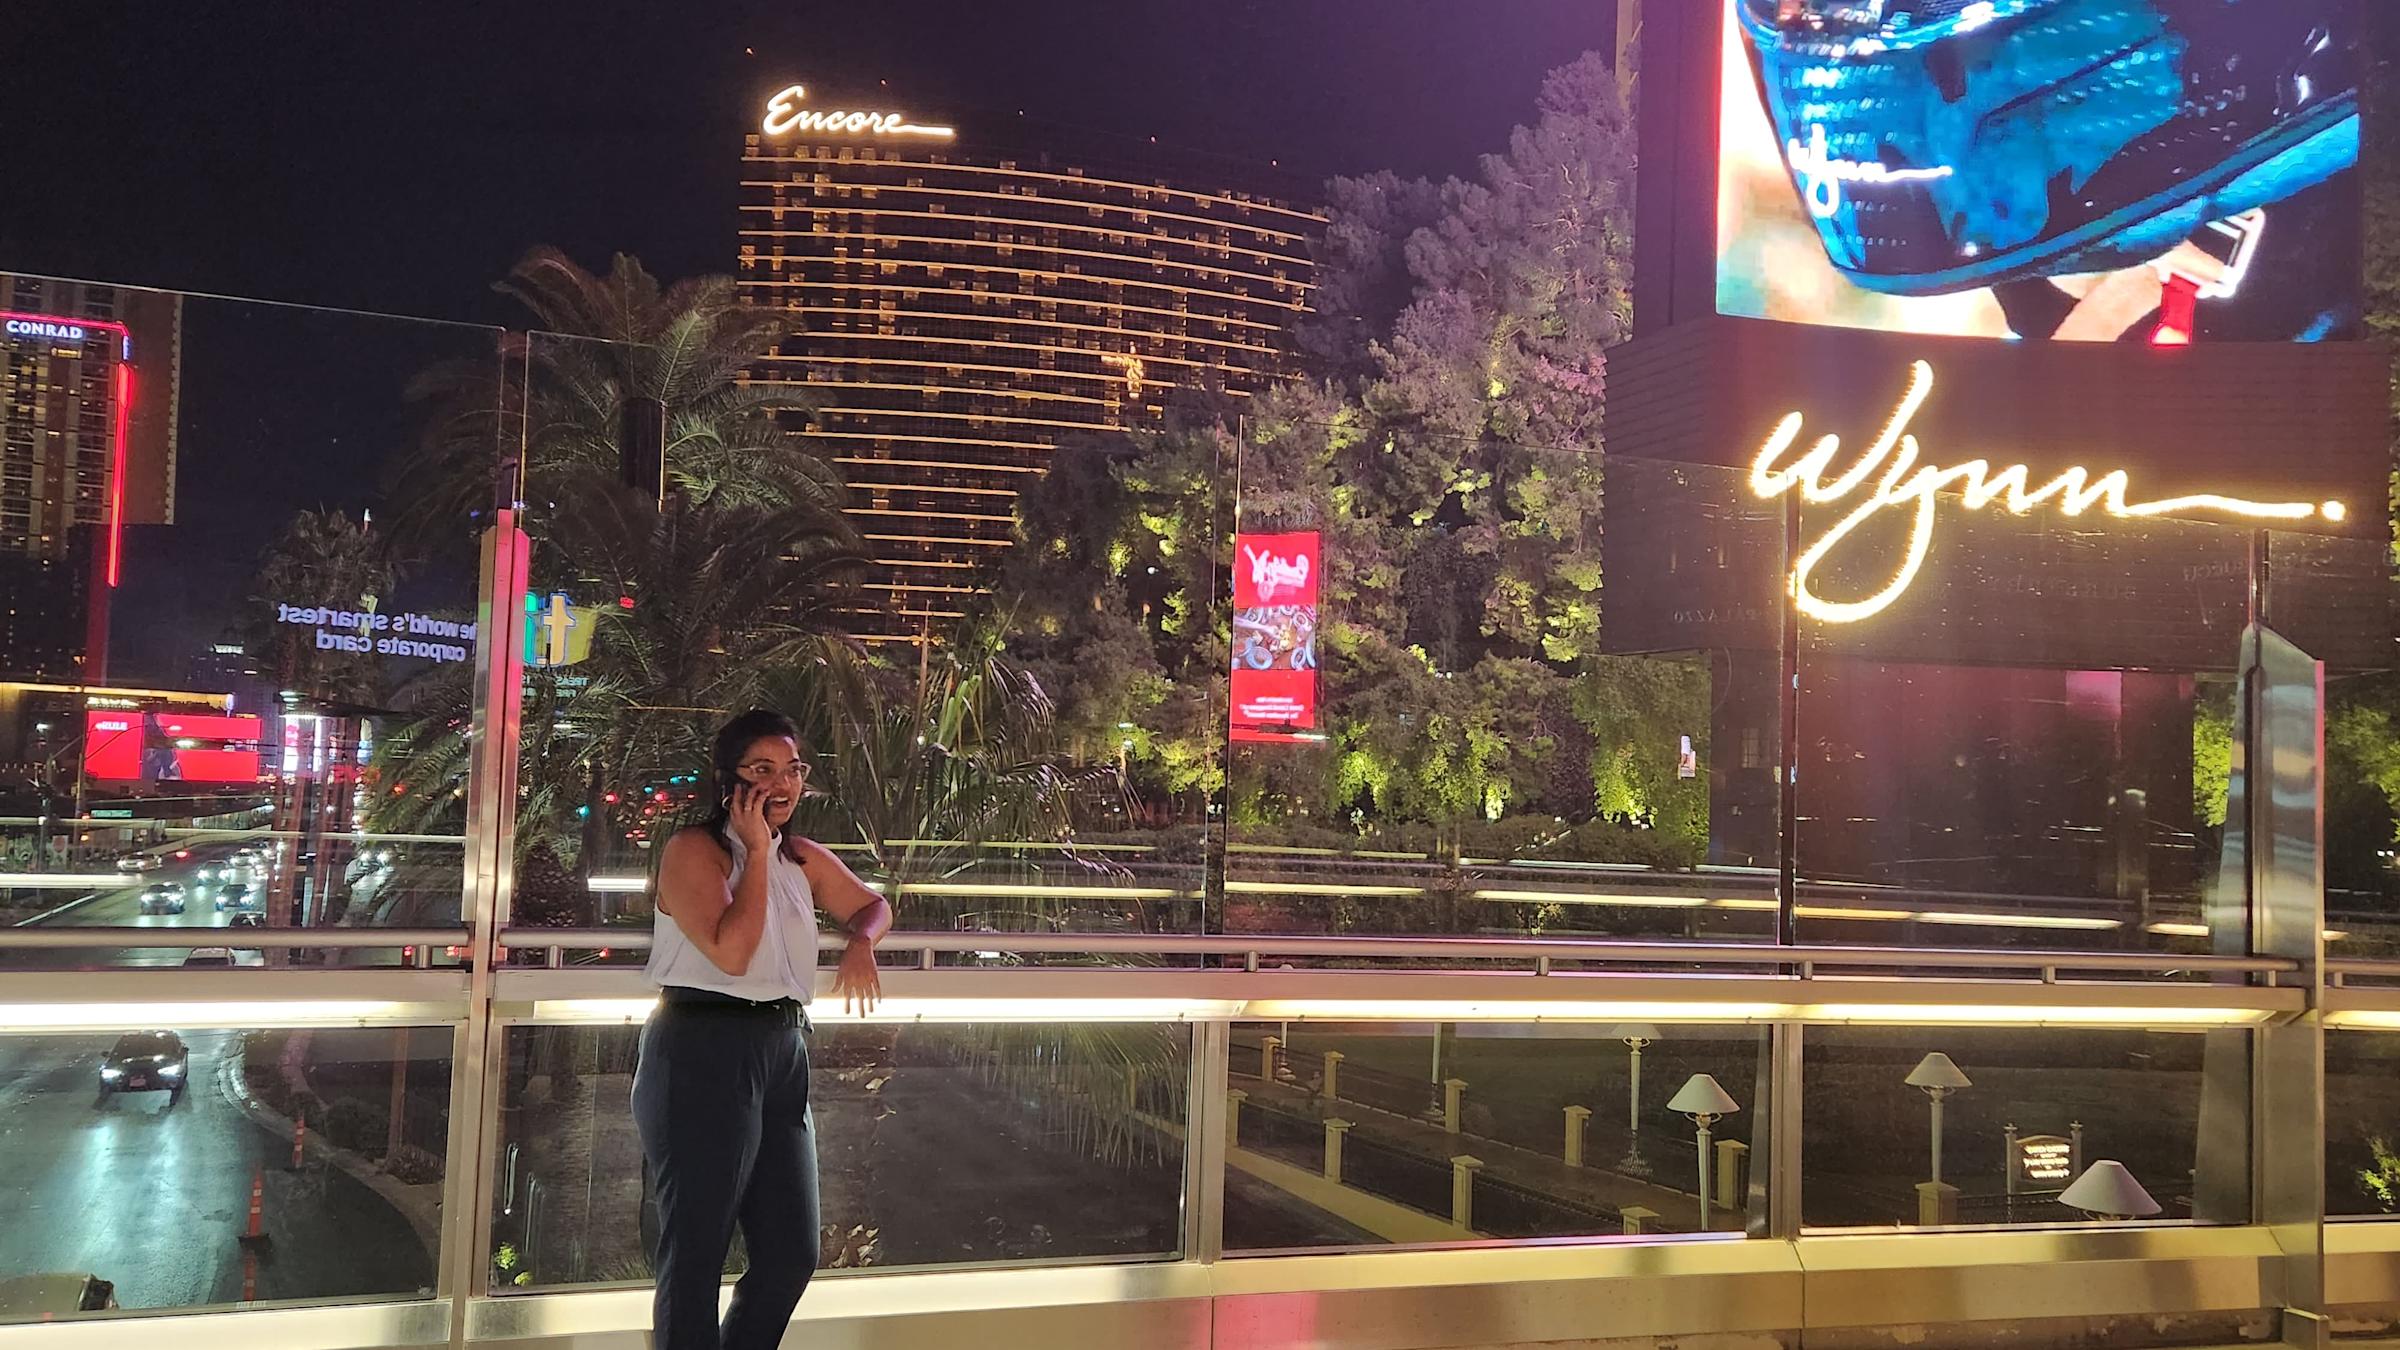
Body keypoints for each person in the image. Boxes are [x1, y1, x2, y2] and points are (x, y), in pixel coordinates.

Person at [636, 708, 891, 1350]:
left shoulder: (800, 857)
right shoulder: (694, 850)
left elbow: (872, 903)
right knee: (695, 1254)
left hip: (783, 1048)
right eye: (762, 770)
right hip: (701, 1045)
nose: (781, 784)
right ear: (728, 779)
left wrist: (860, 941)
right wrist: (752, 854)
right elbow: (732, 952)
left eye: (792, 770)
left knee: (791, 1251)